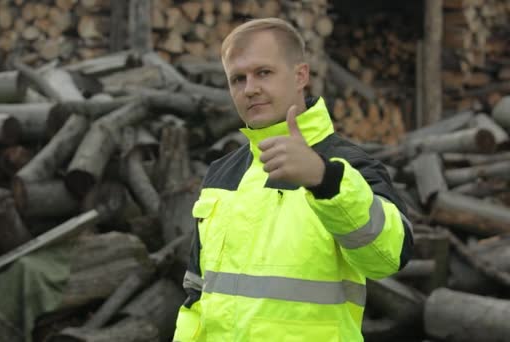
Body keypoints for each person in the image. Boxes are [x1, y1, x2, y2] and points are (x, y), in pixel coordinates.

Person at [173, 18, 413, 342]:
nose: (250, 88)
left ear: (300, 76)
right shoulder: (222, 173)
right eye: (237, 79)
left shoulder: (348, 166)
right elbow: (197, 295)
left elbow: (389, 255)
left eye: (263, 73)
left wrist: (323, 180)